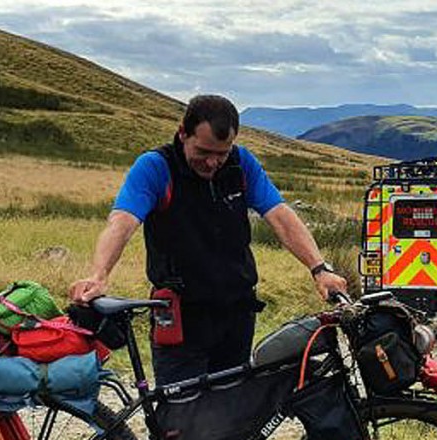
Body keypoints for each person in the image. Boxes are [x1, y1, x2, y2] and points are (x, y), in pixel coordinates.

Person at [69, 95, 346, 384]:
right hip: (180, 316)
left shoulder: (241, 165)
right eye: (203, 151)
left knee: (233, 412)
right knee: (182, 419)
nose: (213, 162)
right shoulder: (156, 167)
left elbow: (279, 215)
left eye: (222, 153)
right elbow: (122, 221)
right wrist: (99, 274)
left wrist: (319, 268)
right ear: (182, 133)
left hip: (237, 313)